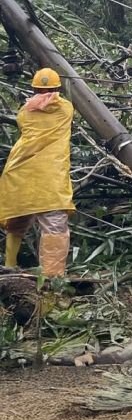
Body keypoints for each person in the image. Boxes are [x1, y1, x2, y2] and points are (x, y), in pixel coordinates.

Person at [1, 68, 75, 277]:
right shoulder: (66, 109)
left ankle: (10, 266)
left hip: (20, 173)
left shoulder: (25, 112)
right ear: (58, 89)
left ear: (34, 89)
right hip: (51, 180)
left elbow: (30, 115)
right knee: (54, 228)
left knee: (16, 221)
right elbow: (55, 102)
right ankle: (52, 277)